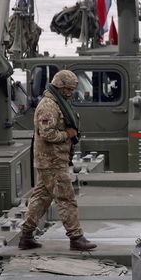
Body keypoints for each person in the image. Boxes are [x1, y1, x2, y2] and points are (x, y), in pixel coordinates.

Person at [19, 69, 97, 251]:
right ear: (59, 87)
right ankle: (76, 238)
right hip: (52, 161)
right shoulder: (49, 106)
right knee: (66, 198)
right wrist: (66, 134)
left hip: (53, 160)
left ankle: (26, 235)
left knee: (41, 198)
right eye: (67, 89)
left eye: (72, 90)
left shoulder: (58, 103)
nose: (70, 93)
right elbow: (47, 133)